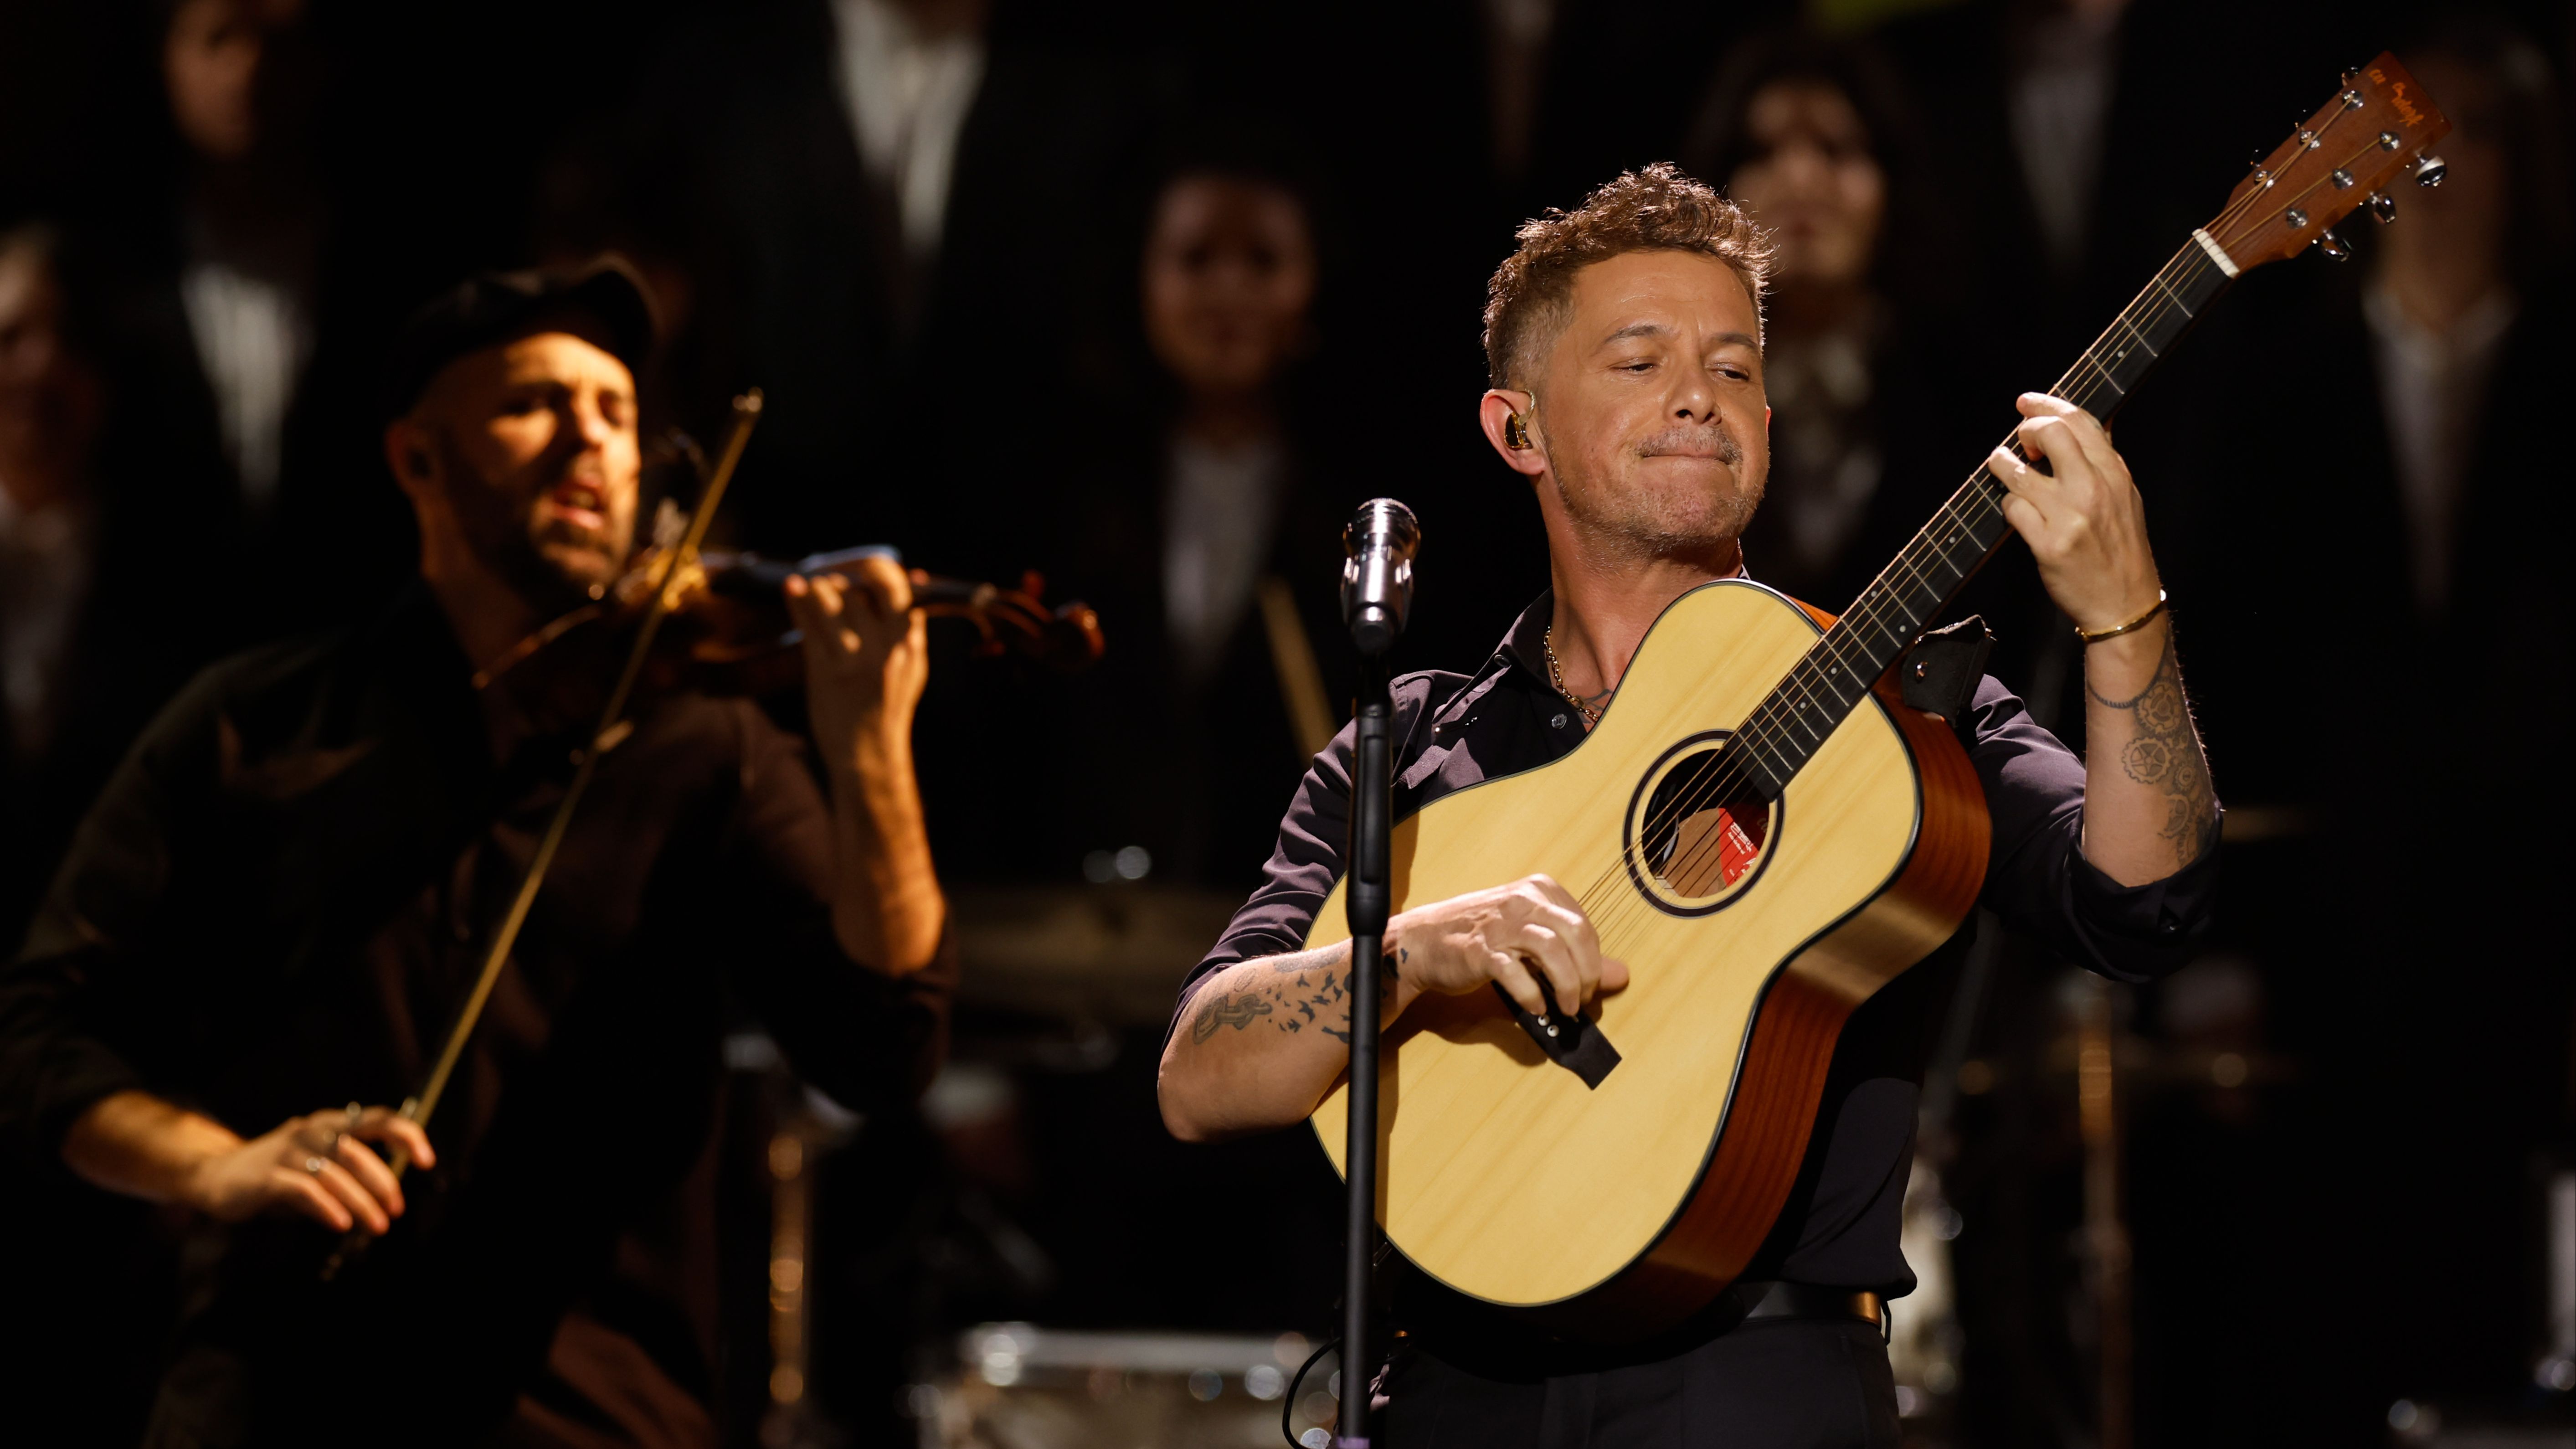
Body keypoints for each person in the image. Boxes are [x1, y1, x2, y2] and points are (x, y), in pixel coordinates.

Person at [1155, 164, 2219, 1445]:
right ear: (1517, 430)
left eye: (1733, 366)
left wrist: (2126, 616)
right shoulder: (1414, 748)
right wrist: (1414, 952)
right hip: (1446, 1392)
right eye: (1639, 360)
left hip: (1760, 1388)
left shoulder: (1896, 712)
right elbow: (1201, 1078)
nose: (1699, 396)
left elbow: (2145, 903)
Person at [0, 258, 953, 1447]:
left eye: (615, 412)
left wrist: (870, 747)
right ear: (418, 460)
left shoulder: (709, 749)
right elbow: (37, 1032)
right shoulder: (254, 726)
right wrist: (218, 1166)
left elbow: (887, 1040)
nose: (590, 442)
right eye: (535, 405)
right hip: (278, 1407)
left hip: (592, 1421)